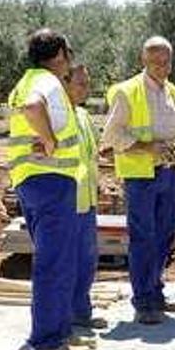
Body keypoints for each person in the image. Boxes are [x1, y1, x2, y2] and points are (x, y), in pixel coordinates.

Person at [101, 36, 175, 325]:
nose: (162, 67)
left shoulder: (174, 93)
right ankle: (143, 302)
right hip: (140, 177)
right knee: (143, 238)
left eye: (166, 61)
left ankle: (156, 293)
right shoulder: (127, 92)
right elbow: (111, 136)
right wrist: (147, 147)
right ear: (144, 60)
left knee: (165, 235)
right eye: (155, 61)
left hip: (168, 172)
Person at [7, 29, 89, 350]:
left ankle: (49, 334)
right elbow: (33, 107)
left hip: (30, 182)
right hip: (52, 181)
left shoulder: (25, 80)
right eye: (67, 53)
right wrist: (51, 140)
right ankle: (49, 343)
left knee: (50, 261)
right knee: (57, 263)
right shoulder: (48, 82)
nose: (69, 60)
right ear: (58, 54)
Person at [66, 63, 107, 335]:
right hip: (67, 200)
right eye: (81, 83)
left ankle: (81, 312)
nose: (86, 89)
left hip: (87, 199)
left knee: (87, 260)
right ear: (65, 83)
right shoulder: (58, 116)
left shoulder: (82, 115)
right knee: (68, 261)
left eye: (88, 83)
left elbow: (93, 154)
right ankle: (64, 317)